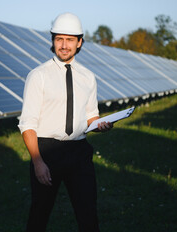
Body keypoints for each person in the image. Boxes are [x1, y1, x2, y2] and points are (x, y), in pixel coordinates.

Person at [18, 12, 113, 232]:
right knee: (39, 215)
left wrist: (102, 125)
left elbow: (91, 115)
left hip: (79, 151)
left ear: (79, 42)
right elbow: (28, 123)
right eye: (59, 39)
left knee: (88, 215)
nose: (64, 45)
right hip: (47, 151)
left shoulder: (88, 76)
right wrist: (38, 162)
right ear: (52, 41)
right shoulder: (38, 75)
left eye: (70, 40)